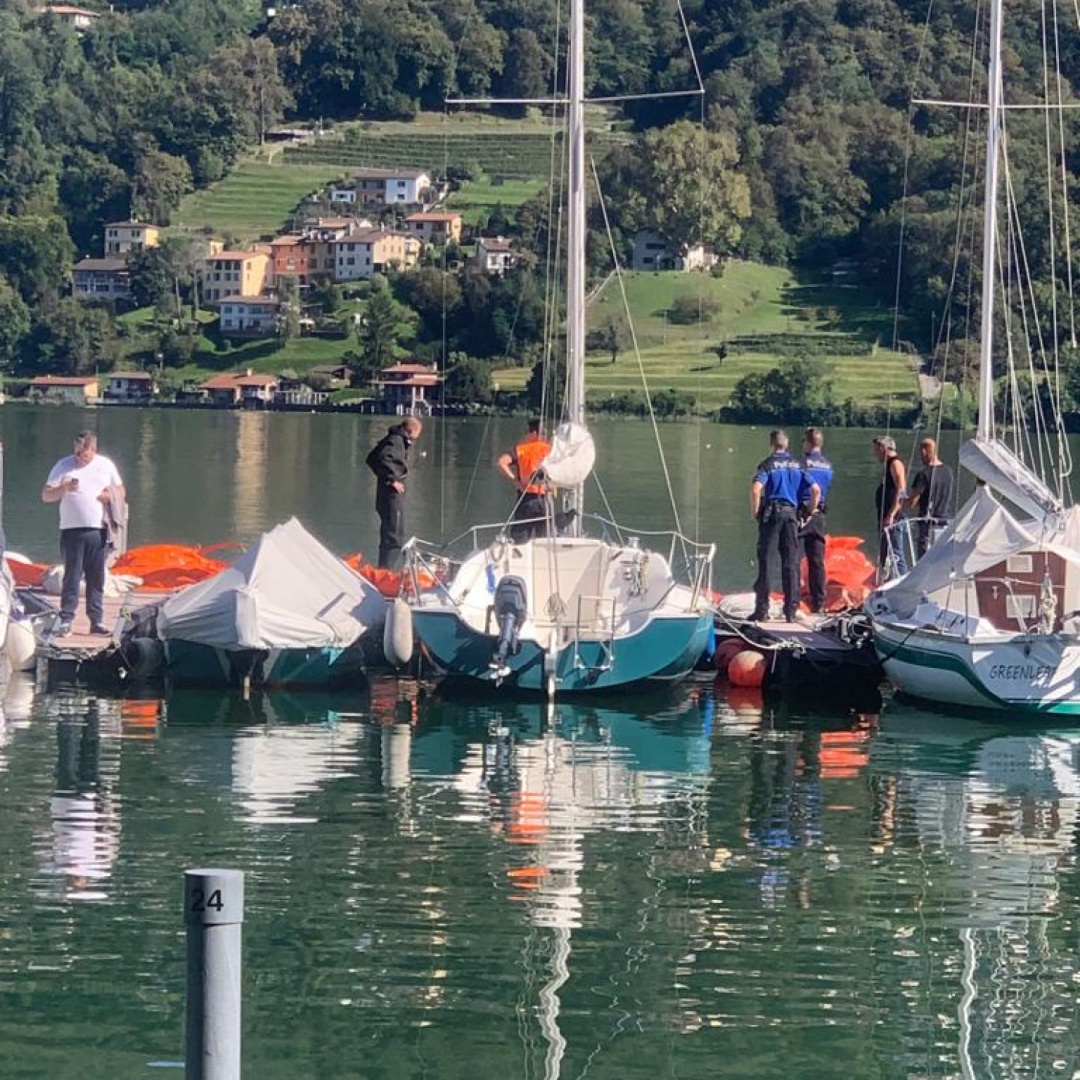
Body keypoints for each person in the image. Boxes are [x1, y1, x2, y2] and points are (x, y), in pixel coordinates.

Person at [41, 430, 125, 637]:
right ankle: (66, 619)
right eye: (77, 453)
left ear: (93, 450)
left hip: (98, 529)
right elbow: (46, 495)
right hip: (72, 530)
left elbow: (121, 490)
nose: (79, 458)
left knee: (96, 577)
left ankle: (96, 620)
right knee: (72, 576)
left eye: (84, 454)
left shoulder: (105, 465)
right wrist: (64, 488)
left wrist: (110, 494)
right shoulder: (63, 466)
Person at [750, 430, 819, 623]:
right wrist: (809, 512)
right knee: (791, 564)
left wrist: (756, 512)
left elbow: (756, 490)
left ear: (772, 444)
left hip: (772, 514)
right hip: (791, 515)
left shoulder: (767, 464)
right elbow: (816, 490)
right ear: (787, 444)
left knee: (766, 562)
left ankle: (762, 610)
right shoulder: (798, 464)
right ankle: (790, 611)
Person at [366, 416, 423, 571]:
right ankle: (386, 572)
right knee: (395, 536)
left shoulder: (392, 438)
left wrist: (385, 478)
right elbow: (383, 458)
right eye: (414, 438)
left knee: (388, 533)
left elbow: (371, 458)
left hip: (385, 494)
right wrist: (391, 480)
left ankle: (383, 568)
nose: (413, 442)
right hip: (391, 495)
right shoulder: (396, 441)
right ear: (410, 431)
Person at [497, 418, 551, 542]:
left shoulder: (521, 449)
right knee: (544, 541)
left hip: (526, 498)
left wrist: (515, 481)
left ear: (533, 433)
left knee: (520, 538)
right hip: (546, 500)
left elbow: (501, 463)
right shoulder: (550, 450)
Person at [800, 426, 833, 614]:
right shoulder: (828, 465)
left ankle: (792, 601)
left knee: (791, 556)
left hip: (804, 511)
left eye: (803, 441)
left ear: (808, 442)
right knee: (817, 561)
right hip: (820, 514)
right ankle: (819, 603)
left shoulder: (802, 463)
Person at [906, 436, 955, 558]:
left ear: (925, 451)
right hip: (945, 522)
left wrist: (903, 500)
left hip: (928, 523)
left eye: (921, 453)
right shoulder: (948, 472)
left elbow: (912, 502)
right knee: (941, 558)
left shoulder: (923, 474)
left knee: (924, 559)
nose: (921, 457)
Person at [873, 434, 908, 577]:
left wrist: (891, 514)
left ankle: (902, 581)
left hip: (893, 518)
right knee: (885, 553)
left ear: (884, 448)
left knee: (896, 554)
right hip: (886, 515)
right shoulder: (888, 464)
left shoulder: (895, 463)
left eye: (876, 450)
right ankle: (887, 580)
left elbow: (901, 489)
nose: (875, 454)